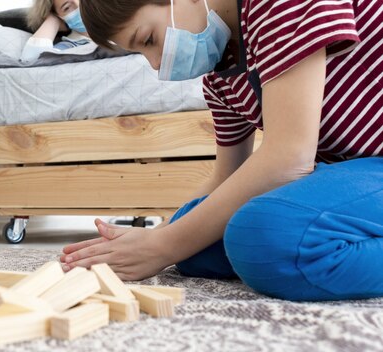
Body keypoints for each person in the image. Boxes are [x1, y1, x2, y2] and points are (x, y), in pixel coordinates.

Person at [61, 0, 383, 301]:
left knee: (260, 234)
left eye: (148, 39)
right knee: (195, 236)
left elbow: (289, 159)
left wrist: (162, 246)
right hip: (353, 174)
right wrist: (153, 238)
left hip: (367, 166)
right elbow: (225, 177)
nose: (157, 63)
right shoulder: (220, 75)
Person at [20, 0, 91, 62]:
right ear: (60, 17)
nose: (79, 5)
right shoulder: (68, 48)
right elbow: (31, 61)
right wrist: (53, 20)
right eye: (67, 8)